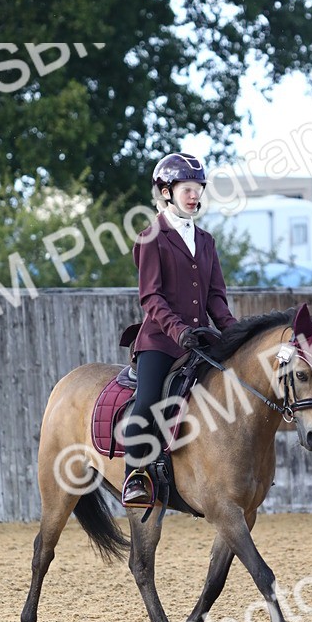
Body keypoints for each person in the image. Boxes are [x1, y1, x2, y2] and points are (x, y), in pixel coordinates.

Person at [121, 152, 237, 508]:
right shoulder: (150, 237)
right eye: (186, 188)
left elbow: (216, 298)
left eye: (198, 188)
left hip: (200, 340)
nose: (193, 195)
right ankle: (135, 475)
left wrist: (235, 333)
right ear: (166, 191)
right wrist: (178, 330)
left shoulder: (206, 241)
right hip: (161, 341)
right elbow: (151, 297)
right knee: (147, 402)